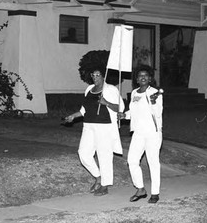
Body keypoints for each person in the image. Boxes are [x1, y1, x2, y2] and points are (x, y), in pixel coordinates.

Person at [63, 67, 124, 196]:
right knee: (83, 153)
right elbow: (83, 110)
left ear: (103, 76)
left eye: (98, 75)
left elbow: (120, 108)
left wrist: (106, 102)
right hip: (88, 126)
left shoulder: (111, 89)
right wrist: (73, 116)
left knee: (104, 155)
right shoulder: (89, 89)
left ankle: (105, 185)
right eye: (93, 75)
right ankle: (98, 177)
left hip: (104, 126)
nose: (95, 77)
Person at [118, 65, 163, 204]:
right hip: (138, 133)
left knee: (153, 163)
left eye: (145, 75)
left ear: (150, 78)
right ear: (137, 79)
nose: (143, 77)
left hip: (152, 133)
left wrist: (154, 102)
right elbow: (133, 112)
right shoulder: (134, 93)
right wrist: (124, 115)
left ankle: (155, 193)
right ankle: (141, 188)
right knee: (132, 160)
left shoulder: (156, 93)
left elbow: (158, 113)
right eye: (140, 76)